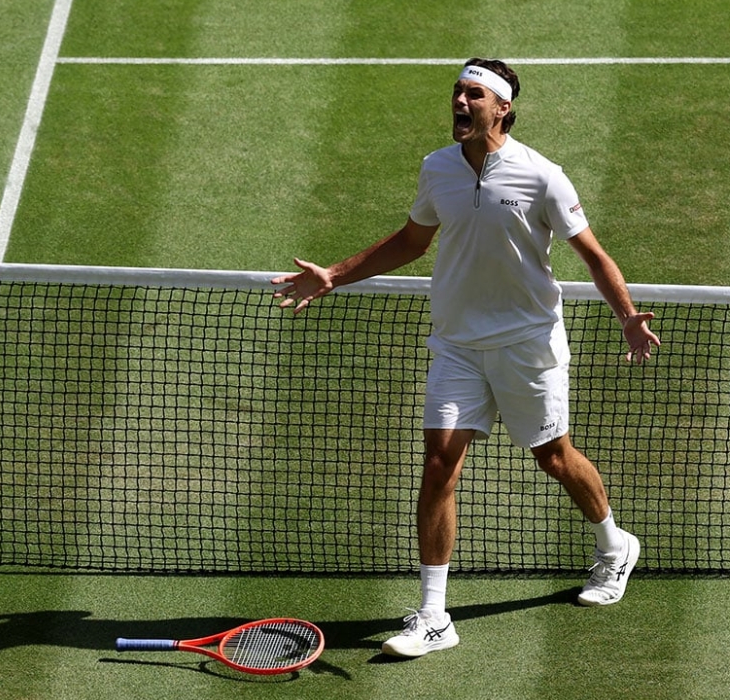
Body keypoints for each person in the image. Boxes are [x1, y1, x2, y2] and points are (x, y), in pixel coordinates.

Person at [272, 58, 660, 659]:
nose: (459, 101)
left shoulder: (543, 177)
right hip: (456, 344)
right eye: (456, 91)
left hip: (527, 344)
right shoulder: (437, 169)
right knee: (438, 465)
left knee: (554, 459)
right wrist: (335, 275)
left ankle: (614, 545)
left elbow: (592, 255)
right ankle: (433, 615)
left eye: (472, 94)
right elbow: (411, 240)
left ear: (501, 107)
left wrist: (627, 315)